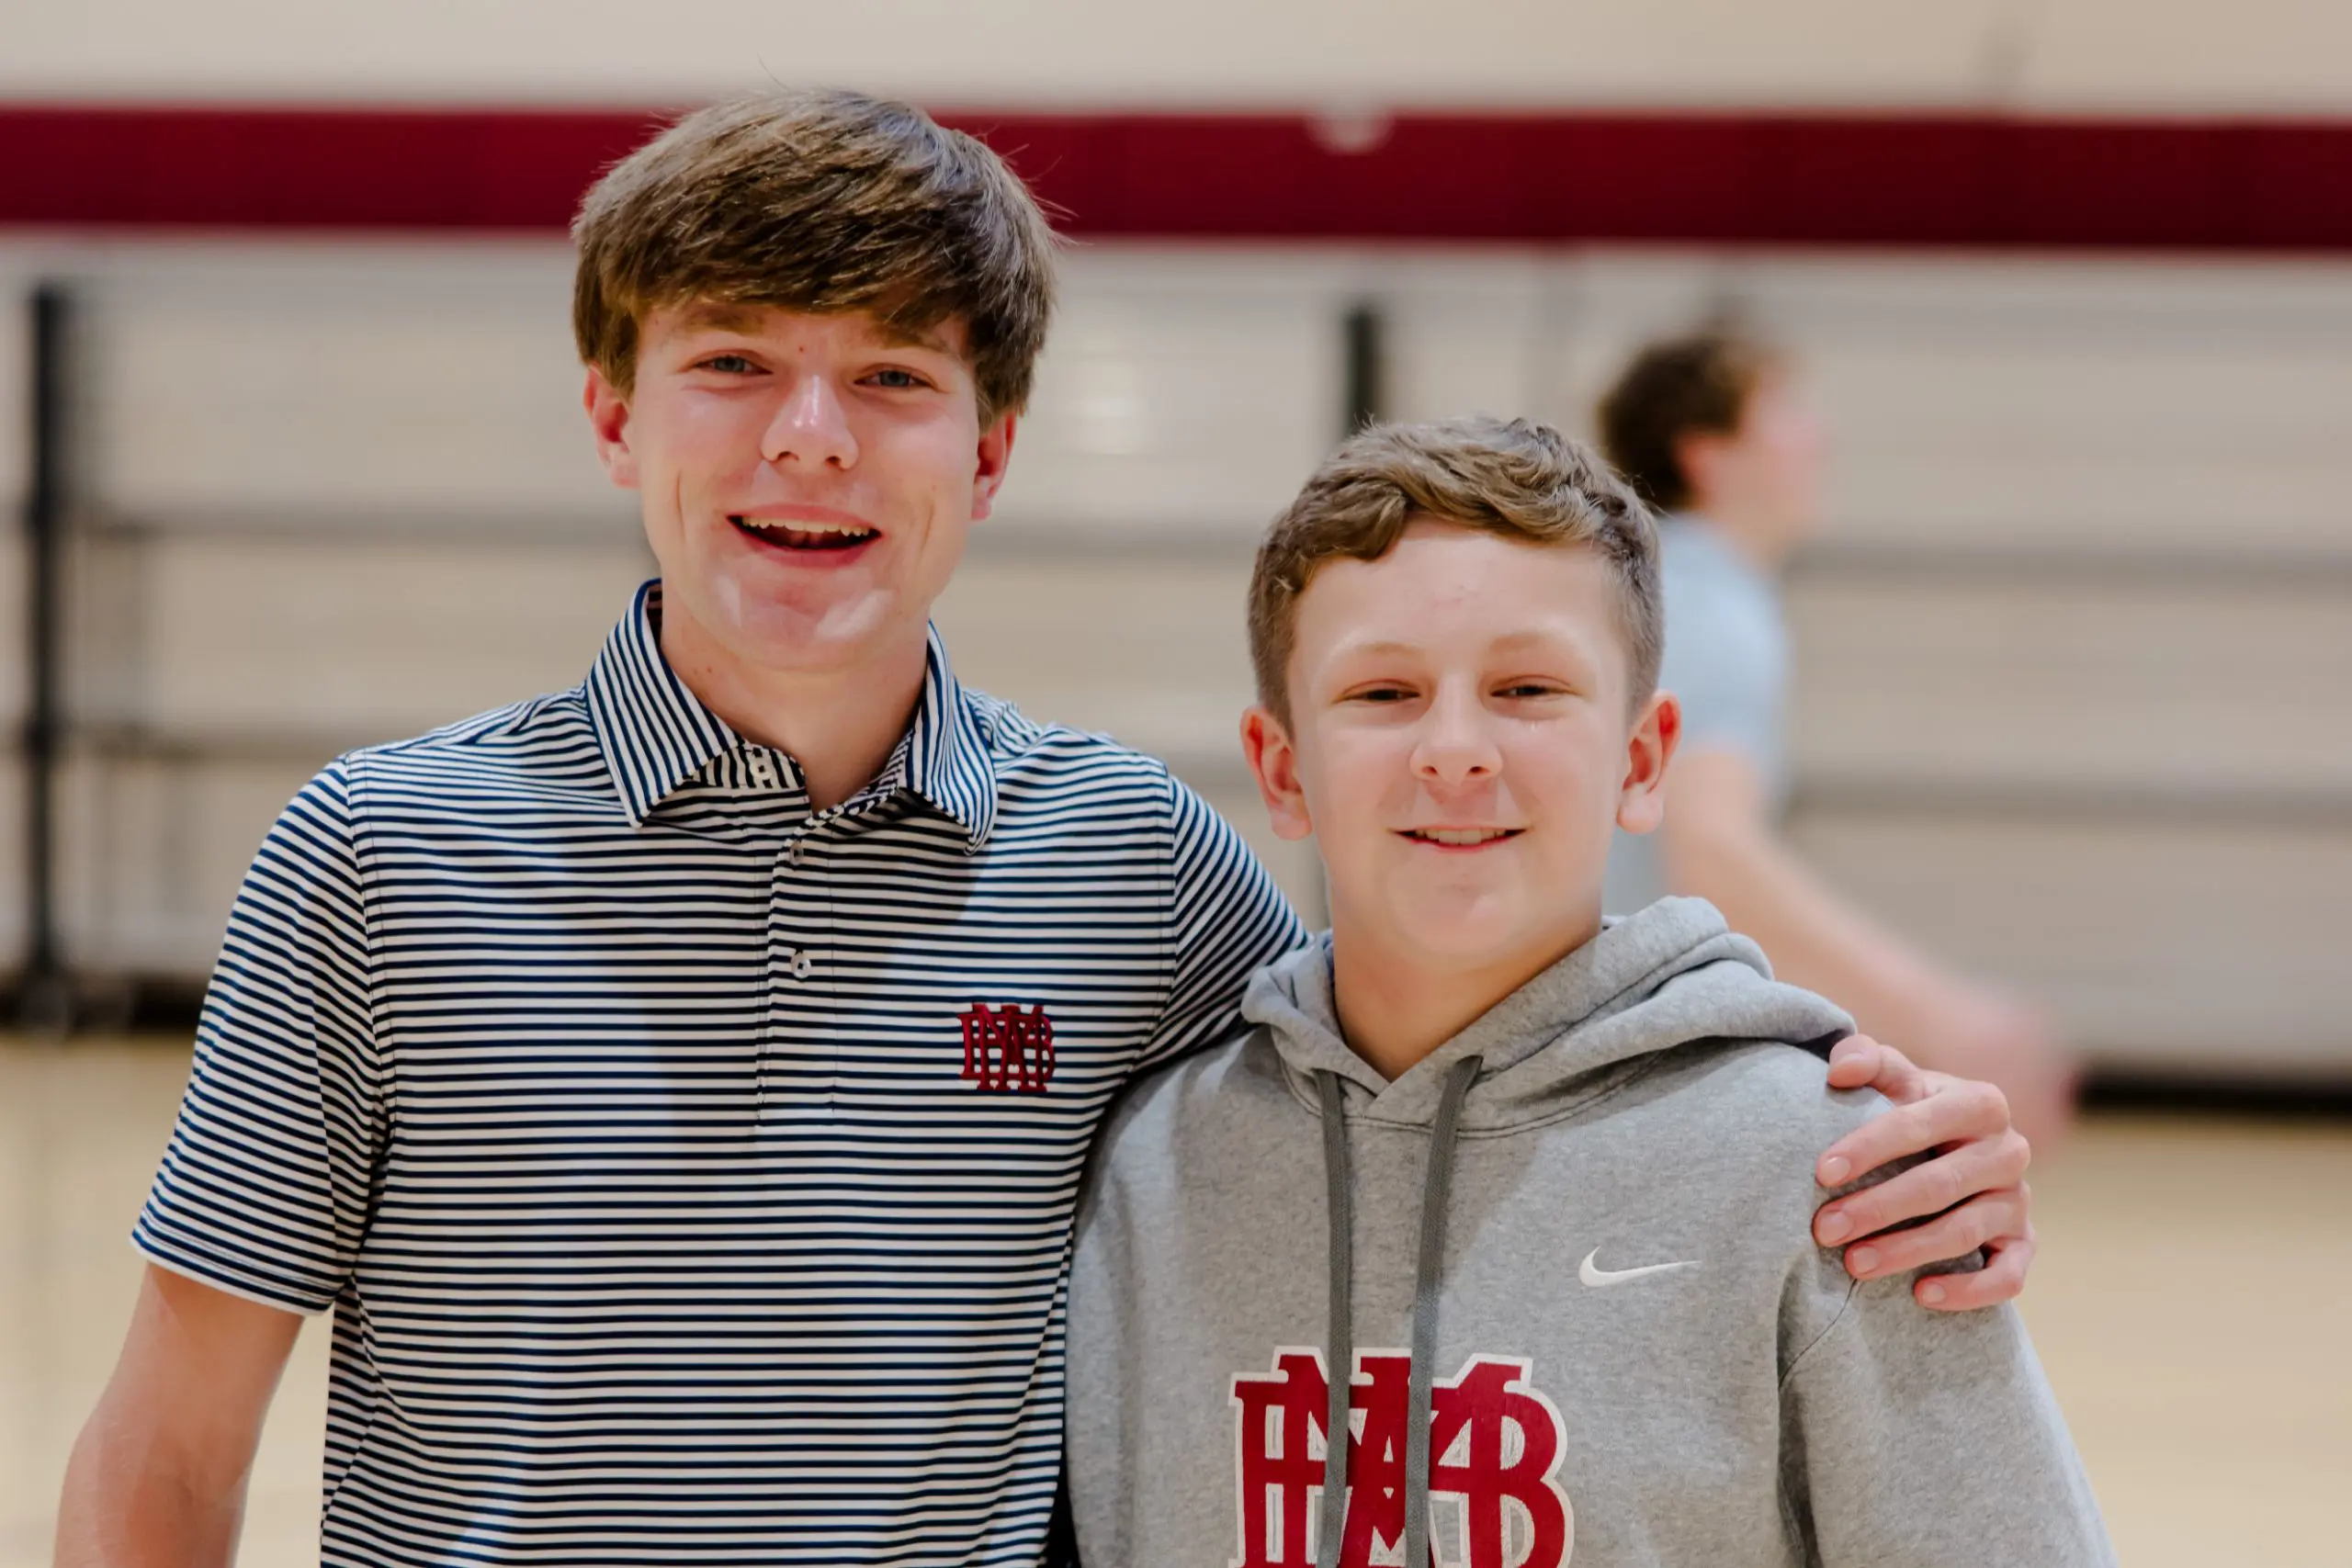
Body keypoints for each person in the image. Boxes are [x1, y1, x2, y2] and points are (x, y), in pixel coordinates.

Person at [56, 95, 2034, 1565]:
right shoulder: (383, 856)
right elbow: (163, 1453)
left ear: (989, 449)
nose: (808, 438)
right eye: (731, 362)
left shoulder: (1127, 869)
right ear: (612, 412)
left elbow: (1427, 1068)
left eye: (891, 380)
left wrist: (1852, 1123)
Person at [1064, 417, 2112, 1567]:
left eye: (1525, 686)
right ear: (1281, 769)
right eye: (1381, 693)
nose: (1455, 749)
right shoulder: (1151, 1167)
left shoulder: (1830, 1179)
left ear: (1644, 758)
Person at [1598, 327, 2076, 1148]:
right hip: (1624, 1052)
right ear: (1708, 455)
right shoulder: (1711, 612)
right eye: (1781, 415)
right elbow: (1712, 852)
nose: (1818, 439)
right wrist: (1942, 1011)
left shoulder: (1663, 588)